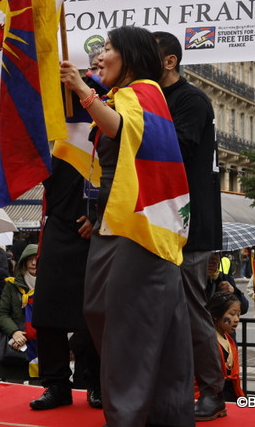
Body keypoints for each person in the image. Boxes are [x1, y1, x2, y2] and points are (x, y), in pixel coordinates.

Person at [60, 25, 194, 427]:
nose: (99, 56)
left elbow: (122, 128)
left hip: (139, 226)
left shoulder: (142, 92)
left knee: (126, 323)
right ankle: (162, 412)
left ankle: (131, 415)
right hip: (123, 222)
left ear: (131, 57)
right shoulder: (126, 95)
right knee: (132, 318)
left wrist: (83, 91)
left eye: (108, 48)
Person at [154, 30, 225, 421]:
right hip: (155, 222)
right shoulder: (148, 97)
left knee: (189, 308)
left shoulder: (191, 100)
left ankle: (213, 391)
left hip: (188, 226)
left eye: (151, 55)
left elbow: (180, 150)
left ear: (170, 61)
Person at [30, 154, 101, 411]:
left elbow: (124, 172)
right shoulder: (53, 123)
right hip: (59, 222)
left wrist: (99, 215)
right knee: (47, 308)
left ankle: (98, 384)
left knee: (98, 312)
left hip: (100, 230)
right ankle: (57, 384)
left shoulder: (109, 117)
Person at [0, 243, 38, 382]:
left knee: (40, 388)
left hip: (41, 346)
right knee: (13, 389)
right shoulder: (11, 286)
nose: (33, 262)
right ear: (23, 262)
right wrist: (14, 331)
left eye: (37, 258)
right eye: (29, 259)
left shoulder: (50, 286)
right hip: (16, 346)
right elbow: (2, 313)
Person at [204, 292, 245, 402]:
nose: (236, 319)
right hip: (213, 399)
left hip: (231, 395)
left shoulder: (229, 339)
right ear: (216, 316)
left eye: (238, 314)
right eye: (232, 314)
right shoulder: (206, 342)